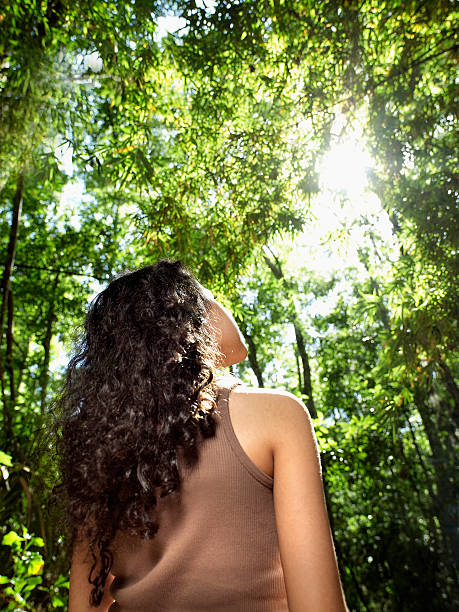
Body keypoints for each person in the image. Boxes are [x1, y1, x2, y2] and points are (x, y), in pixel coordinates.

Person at [59, 259, 348, 611]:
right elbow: (237, 345)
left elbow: (83, 606)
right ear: (190, 319)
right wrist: (192, 292)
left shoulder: (96, 459)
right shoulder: (276, 416)